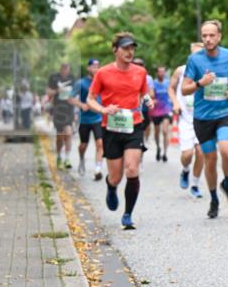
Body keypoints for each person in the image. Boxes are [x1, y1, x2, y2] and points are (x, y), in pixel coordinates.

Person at [87, 33, 150, 230]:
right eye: (125, 48)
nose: (130, 52)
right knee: (116, 177)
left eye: (132, 48)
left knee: (132, 169)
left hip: (134, 125)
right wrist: (103, 109)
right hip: (111, 128)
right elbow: (90, 99)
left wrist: (148, 100)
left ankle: (128, 214)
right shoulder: (103, 73)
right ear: (115, 50)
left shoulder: (140, 72)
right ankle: (111, 186)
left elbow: (144, 93)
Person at [182, 20, 228, 219]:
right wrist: (201, 83)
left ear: (219, 37)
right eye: (204, 35)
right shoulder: (194, 60)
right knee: (210, 159)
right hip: (203, 118)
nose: (208, 39)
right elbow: (184, 89)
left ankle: (227, 183)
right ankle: (214, 198)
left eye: (211, 35)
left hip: (225, 113)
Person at [169, 43, 206, 198]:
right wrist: (175, 103)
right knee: (187, 154)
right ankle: (185, 170)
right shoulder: (181, 71)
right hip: (185, 118)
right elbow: (171, 89)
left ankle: (195, 185)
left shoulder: (207, 73)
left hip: (202, 119)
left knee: (201, 152)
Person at [71, 59, 105, 180]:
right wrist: (81, 105)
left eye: (98, 66)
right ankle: (81, 158)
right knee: (83, 145)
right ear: (88, 68)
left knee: (100, 144)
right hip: (84, 119)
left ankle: (97, 170)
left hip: (98, 118)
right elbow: (70, 98)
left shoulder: (101, 82)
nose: (96, 69)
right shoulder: (81, 83)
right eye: (94, 66)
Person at [47, 62, 75, 169]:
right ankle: (59, 156)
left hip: (69, 110)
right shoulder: (54, 78)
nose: (65, 71)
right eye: (63, 69)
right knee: (59, 137)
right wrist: (56, 91)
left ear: (69, 69)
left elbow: (77, 92)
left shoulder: (72, 78)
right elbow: (48, 92)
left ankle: (67, 158)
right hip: (58, 110)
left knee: (68, 133)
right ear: (60, 69)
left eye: (67, 69)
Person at [150, 65, 174, 162]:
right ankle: (158, 148)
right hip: (156, 111)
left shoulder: (168, 82)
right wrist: (152, 99)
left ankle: (165, 153)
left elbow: (172, 93)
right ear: (157, 73)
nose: (162, 73)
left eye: (163, 71)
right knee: (157, 132)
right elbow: (151, 94)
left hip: (166, 109)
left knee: (165, 131)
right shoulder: (153, 83)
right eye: (160, 72)